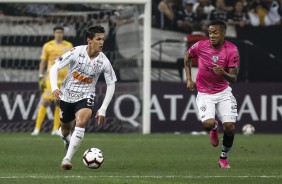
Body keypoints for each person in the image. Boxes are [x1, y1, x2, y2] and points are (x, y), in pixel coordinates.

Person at [49, 25, 117, 170]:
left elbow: (111, 84)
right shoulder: (75, 52)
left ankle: (67, 159)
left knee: (80, 122)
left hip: (86, 95)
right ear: (89, 40)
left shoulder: (104, 61)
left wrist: (103, 108)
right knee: (65, 130)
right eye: (98, 39)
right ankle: (67, 139)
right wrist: (54, 87)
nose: (101, 42)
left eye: (103, 39)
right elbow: (54, 67)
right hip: (66, 94)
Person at [183, 20, 239, 168]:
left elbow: (233, 79)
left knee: (230, 127)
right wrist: (189, 79)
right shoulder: (201, 46)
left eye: (215, 33)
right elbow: (187, 56)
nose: (212, 36)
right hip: (204, 92)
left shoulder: (231, 50)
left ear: (223, 34)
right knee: (207, 124)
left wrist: (224, 73)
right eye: (210, 33)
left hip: (223, 92)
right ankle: (214, 128)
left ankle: (223, 157)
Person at [31, 25, 73, 136]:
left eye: (60, 32)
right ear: (54, 33)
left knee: (59, 103)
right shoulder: (48, 46)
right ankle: (37, 129)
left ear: (63, 34)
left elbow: (72, 61)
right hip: (51, 78)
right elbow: (43, 62)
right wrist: (40, 75)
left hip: (64, 79)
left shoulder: (68, 46)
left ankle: (55, 129)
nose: (59, 34)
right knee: (45, 101)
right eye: (57, 32)